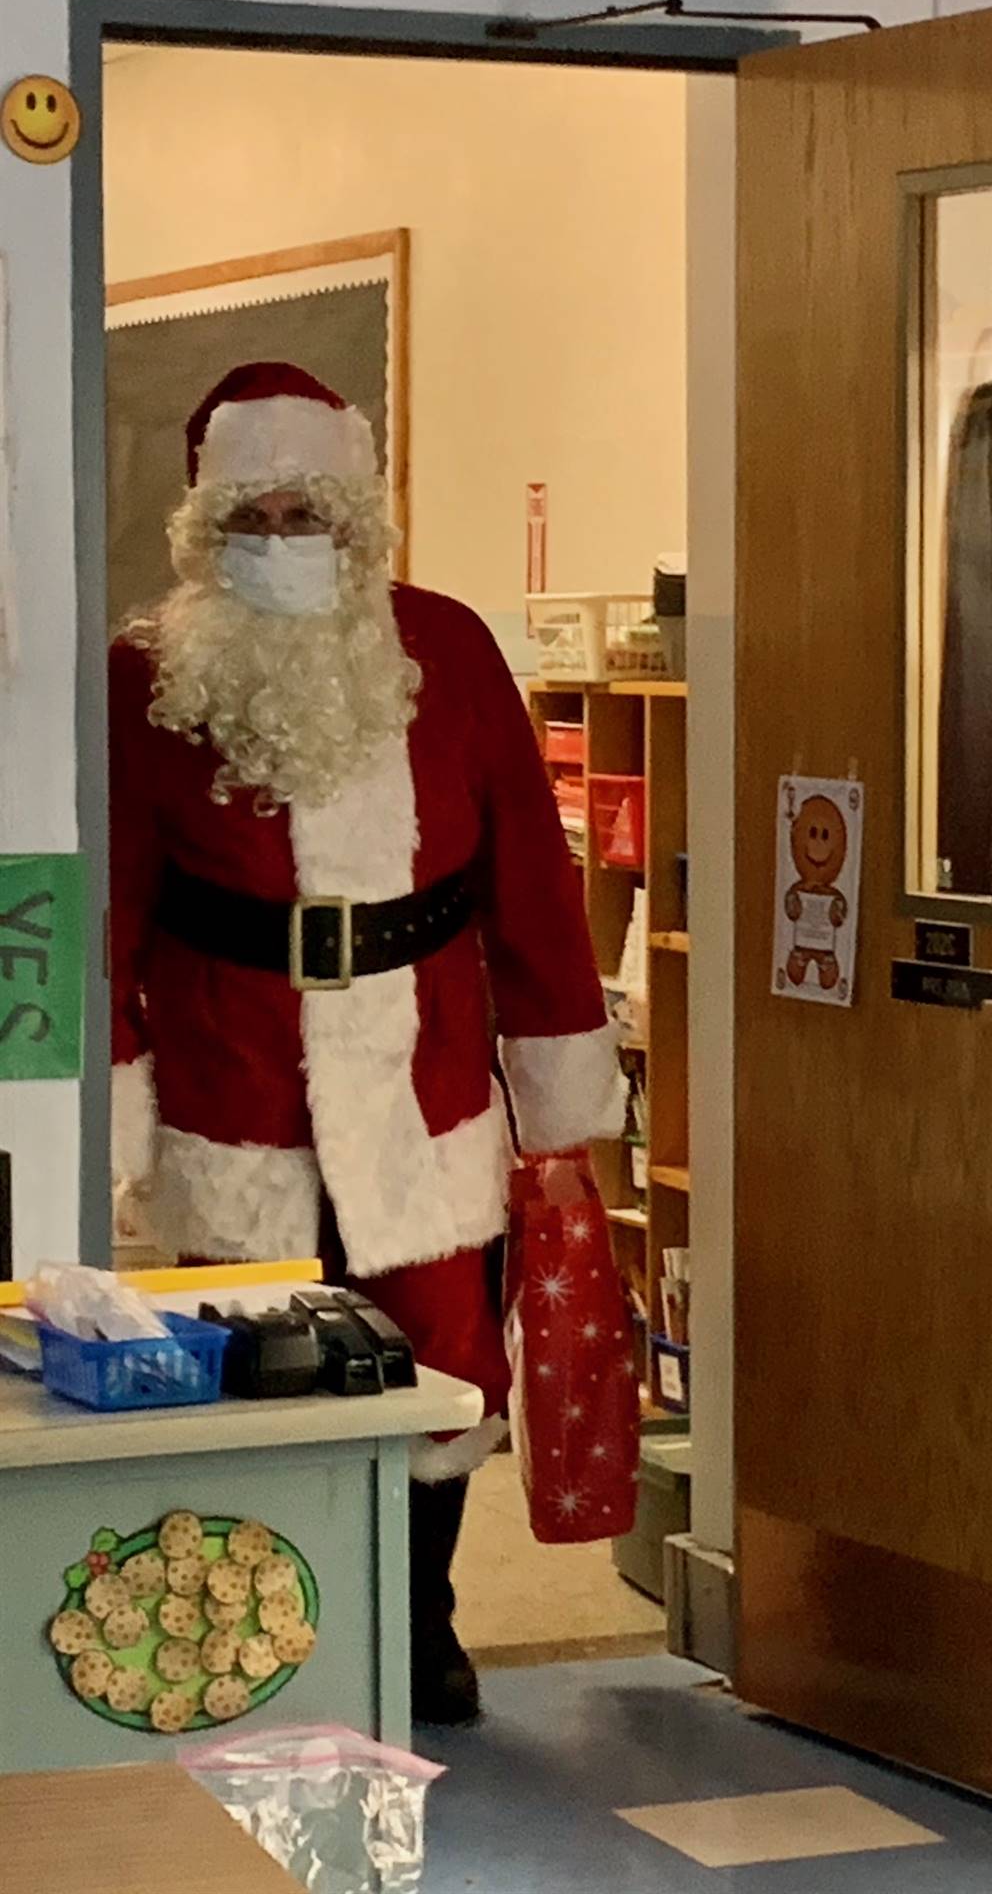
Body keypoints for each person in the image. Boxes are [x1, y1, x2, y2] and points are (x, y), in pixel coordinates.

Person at [109, 362, 625, 1726]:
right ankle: (266, 1637)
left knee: (437, 1361)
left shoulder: (447, 650)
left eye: (308, 512)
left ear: (359, 519)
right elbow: (106, 900)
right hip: (233, 1083)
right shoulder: (145, 679)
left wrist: (559, 1093)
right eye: (254, 516)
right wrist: (101, 1108)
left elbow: (532, 888)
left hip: (428, 1073)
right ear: (206, 528)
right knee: (250, 1364)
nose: (283, 539)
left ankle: (420, 1622)